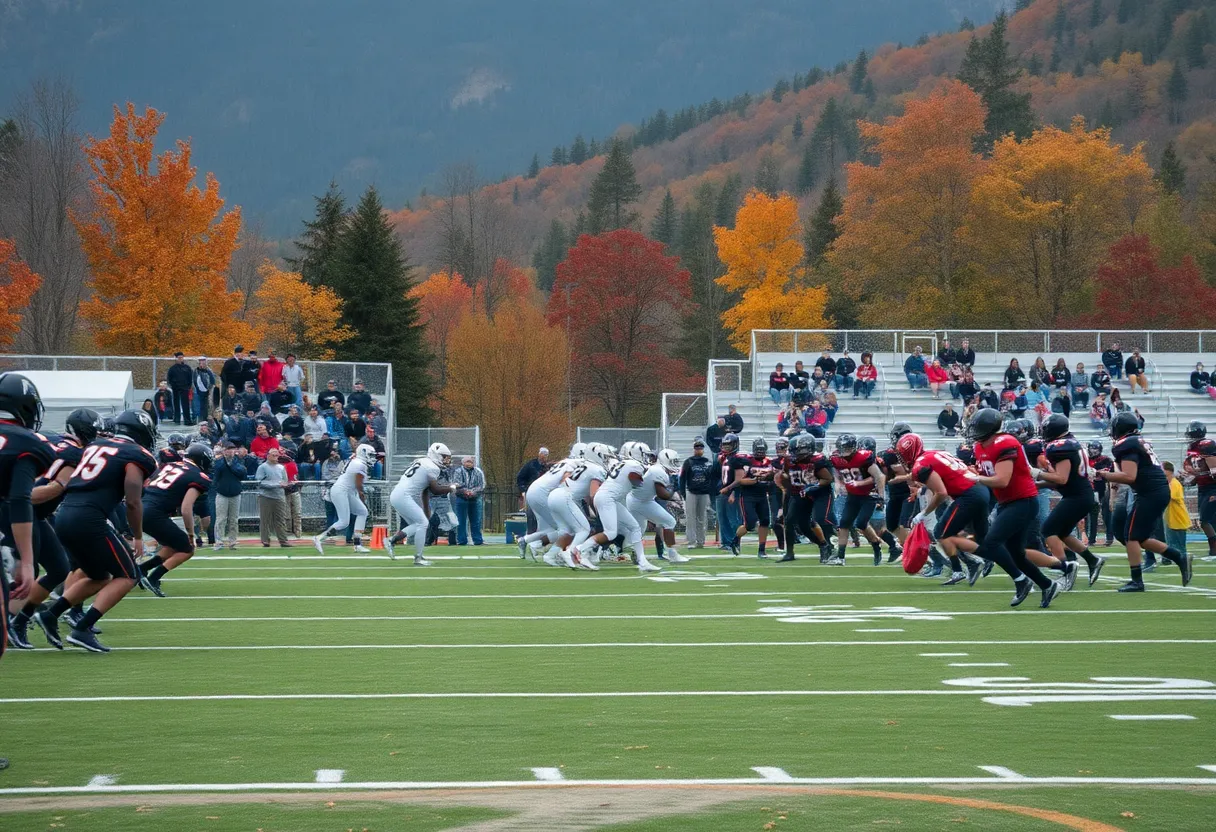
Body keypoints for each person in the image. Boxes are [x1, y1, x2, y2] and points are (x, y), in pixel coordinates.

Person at [36, 409, 158, 652]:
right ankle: (82, 628)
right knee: (129, 575)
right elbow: (133, 500)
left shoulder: (96, 445)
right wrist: (137, 536)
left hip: (64, 514)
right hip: (89, 518)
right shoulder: (137, 455)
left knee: (99, 576)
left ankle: (51, 615)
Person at [967, 408, 1062, 609]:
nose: (973, 430)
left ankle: (1021, 580)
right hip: (1008, 502)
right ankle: (1048, 585)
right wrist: (973, 474)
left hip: (1023, 501)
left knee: (990, 543)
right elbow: (989, 474)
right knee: (1016, 553)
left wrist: (976, 478)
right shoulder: (979, 446)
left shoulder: (1005, 443)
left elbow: (1002, 480)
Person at [1099, 412, 1191, 592]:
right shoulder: (1135, 441)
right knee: (1139, 537)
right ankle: (1179, 557)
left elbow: (1129, 476)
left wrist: (1103, 474)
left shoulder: (1127, 444)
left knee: (1131, 537)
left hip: (1151, 493)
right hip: (1154, 492)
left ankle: (1137, 581)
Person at [1034, 415, 1104, 586]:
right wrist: (1037, 484)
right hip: (1080, 494)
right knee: (1062, 533)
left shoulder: (1060, 447)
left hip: (1077, 496)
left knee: (1048, 530)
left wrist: (1036, 473)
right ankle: (1093, 560)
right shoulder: (1070, 443)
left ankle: (1066, 569)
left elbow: (1061, 478)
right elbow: (1063, 479)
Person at [138, 443, 213, 595]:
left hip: (139, 508)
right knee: (188, 549)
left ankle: (141, 570)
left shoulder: (170, 465)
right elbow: (186, 508)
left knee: (172, 546)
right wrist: (191, 535)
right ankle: (154, 577)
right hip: (154, 512)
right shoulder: (199, 476)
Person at [828, 433, 890, 566]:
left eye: (847, 448)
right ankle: (841, 556)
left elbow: (878, 476)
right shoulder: (836, 459)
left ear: (854, 447)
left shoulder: (863, 457)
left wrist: (881, 497)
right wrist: (839, 485)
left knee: (861, 523)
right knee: (843, 524)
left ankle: (875, 545)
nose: (844, 452)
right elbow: (838, 476)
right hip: (853, 495)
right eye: (842, 448)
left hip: (869, 495)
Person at [773, 433, 835, 563]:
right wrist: (783, 479)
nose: (795, 455)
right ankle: (791, 552)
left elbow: (828, 479)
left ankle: (828, 546)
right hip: (799, 492)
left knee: (820, 518)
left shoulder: (817, 460)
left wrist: (813, 486)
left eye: (798, 451)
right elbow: (786, 474)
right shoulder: (789, 460)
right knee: (792, 522)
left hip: (819, 493)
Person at [627, 445, 689, 564]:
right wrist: (673, 489)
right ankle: (672, 554)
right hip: (642, 502)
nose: (675, 463)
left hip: (635, 499)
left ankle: (636, 554)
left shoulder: (657, 469)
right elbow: (663, 495)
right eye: (673, 461)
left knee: (638, 530)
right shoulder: (658, 471)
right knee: (669, 521)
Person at [313, 444, 376, 553]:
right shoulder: (360, 464)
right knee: (343, 522)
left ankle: (357, 544)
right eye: (370, 455)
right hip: (341, 490)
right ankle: (319, 538)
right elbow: (358, 485)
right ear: (363, 453)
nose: (372, 457)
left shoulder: (356, 461)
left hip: (346, 491)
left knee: (362, 512)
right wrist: (362, 497)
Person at [1183, 421, 1216, 560]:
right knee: (1211, 521)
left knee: (1205, 520)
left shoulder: (1206, 445)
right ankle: (1213, 550)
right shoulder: (1193, 447)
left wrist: (1197, 474)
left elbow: (1213, 470)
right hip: (1202, 488)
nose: (1188, 436)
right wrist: (1189, 479)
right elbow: (1198, 472)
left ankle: (1214, 550)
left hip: (1212, 488)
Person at [678, 438, 716, 549]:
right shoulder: (688, 462)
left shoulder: (707, 462)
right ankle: (691, 541)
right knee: (690, 518)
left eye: (700, 448)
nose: (698, 450)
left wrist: (711, 492)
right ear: (694, 449)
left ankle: (701, 541)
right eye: (696, 448)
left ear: (703, 449)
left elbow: (711, 478)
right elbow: (682, 478)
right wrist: (683, 493)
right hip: (691, 492)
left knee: (702, 517)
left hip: (704, 493)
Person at [253, 447, 291, 548]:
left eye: (277, 455)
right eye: (273, 455)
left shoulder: (281, 467)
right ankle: (265, 540)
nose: (276, 457)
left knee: (281, 519)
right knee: (265, 519)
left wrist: (284, 485)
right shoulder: (262, 467)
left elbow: (285, 481)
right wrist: (277, 485)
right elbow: (259, 482)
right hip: (266, 496)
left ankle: (283, 540)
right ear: (268, 455)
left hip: (279, 496)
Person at [211, 441, 244, 550]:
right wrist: (224, 460)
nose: (229, 451)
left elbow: (242, 474)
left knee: (234, 519)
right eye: (227, 449)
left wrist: (231, 464)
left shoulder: (238, 461)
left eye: (231, 449)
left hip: (235, 493)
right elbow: (216, 474)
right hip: (222, 493)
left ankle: (232, 541)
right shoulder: (219, 461)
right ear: (224, 450)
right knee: (221, 519)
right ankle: (218, 541)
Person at [451, 455, 486, 545]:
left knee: (476, 520)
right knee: (461, 520)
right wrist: (465, 492)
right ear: (463, 463)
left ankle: (478, 540)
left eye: (470, 461)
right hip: (461, 499)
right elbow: (456, 484)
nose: (469, 463)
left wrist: (472, 492)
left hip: (475, 499)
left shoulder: (479, 472)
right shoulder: (458, 471)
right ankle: (462, 541)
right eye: (467, 461)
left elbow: (482, 485)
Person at [1087, 440, 1115, 547]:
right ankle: (1091, 539)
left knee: (1106, 514)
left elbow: (1109, 473)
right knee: (1092, 514)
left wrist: (1096, 472)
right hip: (1091, 488)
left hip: (1104, 488)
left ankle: (1109, 537)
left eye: (1095, 449)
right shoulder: (1086, 460)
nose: (1093, 451)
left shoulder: (1106, 460)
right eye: (1091, 448)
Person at [516, 447, 550, 534]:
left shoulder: (547, 467)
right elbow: (520, 477)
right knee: (531, 514)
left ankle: (543, 532)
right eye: (544, 455)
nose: (545, 457)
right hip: (531, 492)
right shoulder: (531, 465)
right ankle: (531, 533)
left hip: (544, 493)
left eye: (546, 455)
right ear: (539, 454)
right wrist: (523, 489)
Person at [1163, 462, 1192, 563]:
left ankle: (1184, 560)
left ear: (1169, 471)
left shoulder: (1174, 483)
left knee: (1179, 544)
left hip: (1178, 517)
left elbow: (1171, 496)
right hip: (1171, 517)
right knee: (1170, 541)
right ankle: (1168, 558)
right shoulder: (1170, 483)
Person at [192, 356, 217, 422]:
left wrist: (209, 389)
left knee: (206, 406)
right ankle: (199, 419)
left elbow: (212, 381)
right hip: (198, 391)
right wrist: (197, 388)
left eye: (203, 361)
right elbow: (194, 380)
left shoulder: (208, 370)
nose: (202, 363)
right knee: (198, 405)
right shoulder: (196, 370)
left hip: (206, 391)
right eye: (200, 361)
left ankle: (205, 419)